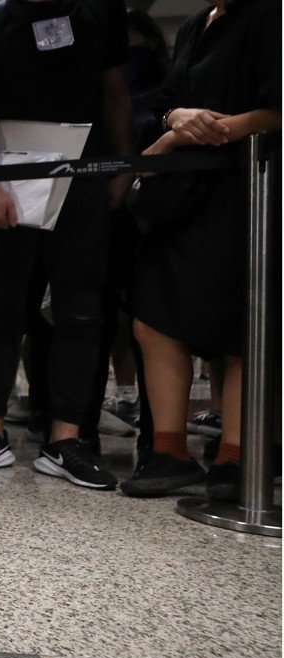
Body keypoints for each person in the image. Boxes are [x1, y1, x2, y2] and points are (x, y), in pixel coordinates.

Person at [0, 0, 132, 491]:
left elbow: (116, 95)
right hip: (8, 175)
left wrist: (123, 164)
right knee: (1, 308)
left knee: (81, 309)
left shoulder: (100, 15)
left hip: (84, 176)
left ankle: (65, 438)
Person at [120, 0, 279, 499]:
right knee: (153, 315)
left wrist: (184, 137)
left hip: (250, 188)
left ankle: (237, 457)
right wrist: (177, 118)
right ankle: (169, 451)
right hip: (188, 193)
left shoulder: (271, 13)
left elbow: (276, 107)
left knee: (242, 325)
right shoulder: (197, 23)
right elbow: (170, 97)